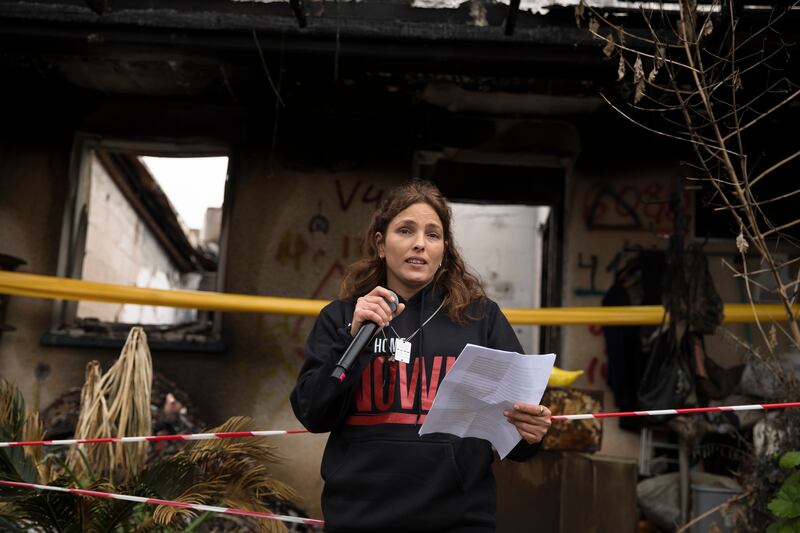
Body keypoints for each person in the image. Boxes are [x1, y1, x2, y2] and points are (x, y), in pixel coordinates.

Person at [291, 180, 552, 532]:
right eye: (405, 230)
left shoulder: (480, 318)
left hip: (457, 520)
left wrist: (533, 432)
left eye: (433, 234)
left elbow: (519, 441)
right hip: (358, 519)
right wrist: (351, 339)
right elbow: (313, 413)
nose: (419, 243)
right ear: (381, 245)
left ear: (444, 249)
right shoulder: (342, 318)